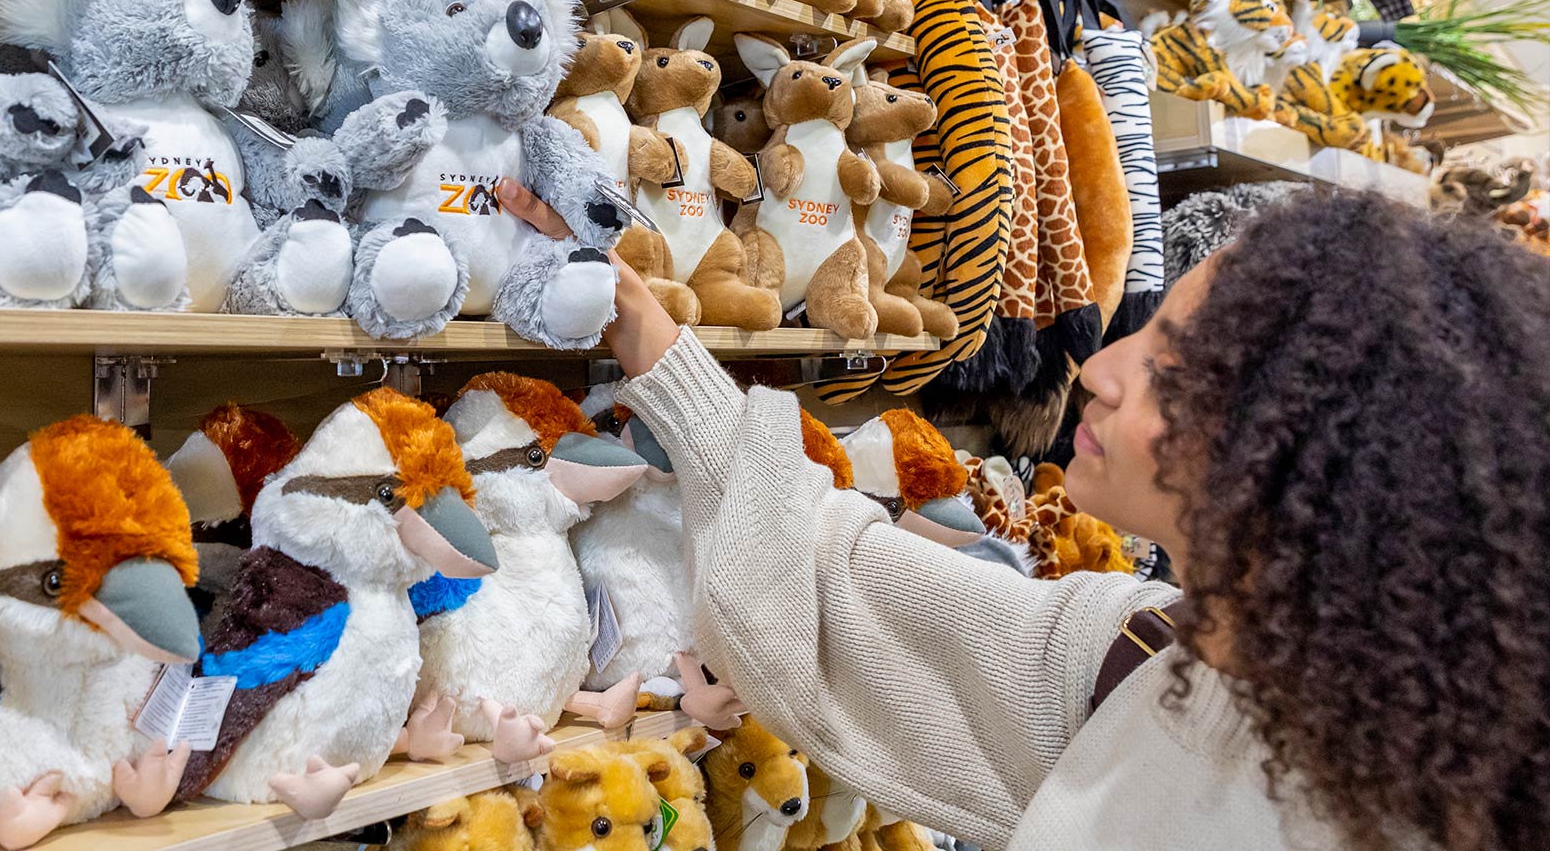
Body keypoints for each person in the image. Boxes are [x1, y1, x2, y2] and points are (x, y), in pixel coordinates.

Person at [497, 180, 1550, 851]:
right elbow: (842, 587)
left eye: (1173, 371)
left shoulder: (1383, 806)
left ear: (1310, 461)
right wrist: (656, 343)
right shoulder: (1135, 657)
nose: (1095, 369)